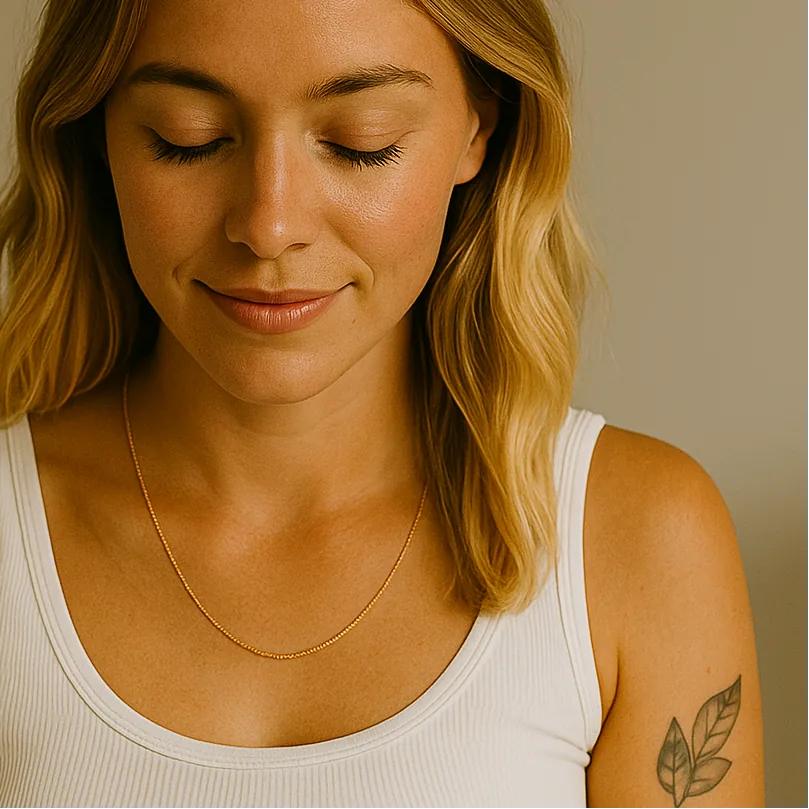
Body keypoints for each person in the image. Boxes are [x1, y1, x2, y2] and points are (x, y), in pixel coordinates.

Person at [0, 0, 765, 806]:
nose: (268, 225)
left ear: (479, 129)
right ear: (97, 131)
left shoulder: (639, 544)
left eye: (360, 142)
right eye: (188, 138)